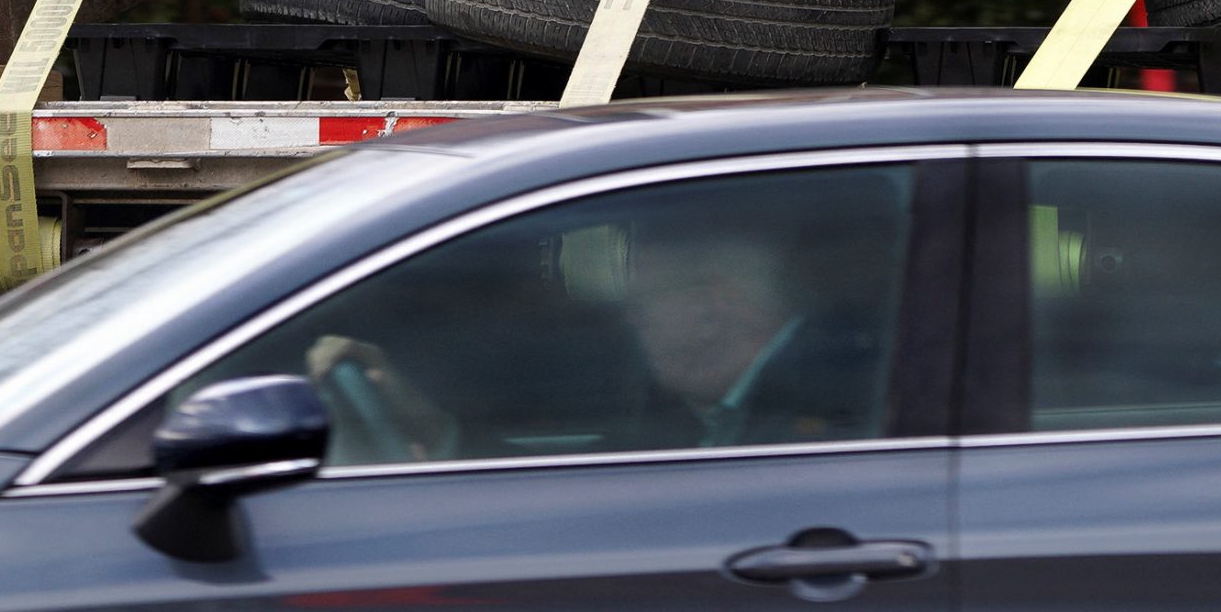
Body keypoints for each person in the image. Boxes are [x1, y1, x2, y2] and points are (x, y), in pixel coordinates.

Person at [303, 215, 886, 461]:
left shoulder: (817, 414)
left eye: (647, 304)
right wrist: (438, 432)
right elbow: (596, 481)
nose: (634, 326)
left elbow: (642, 514)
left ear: (717, 303)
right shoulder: (727, 417)